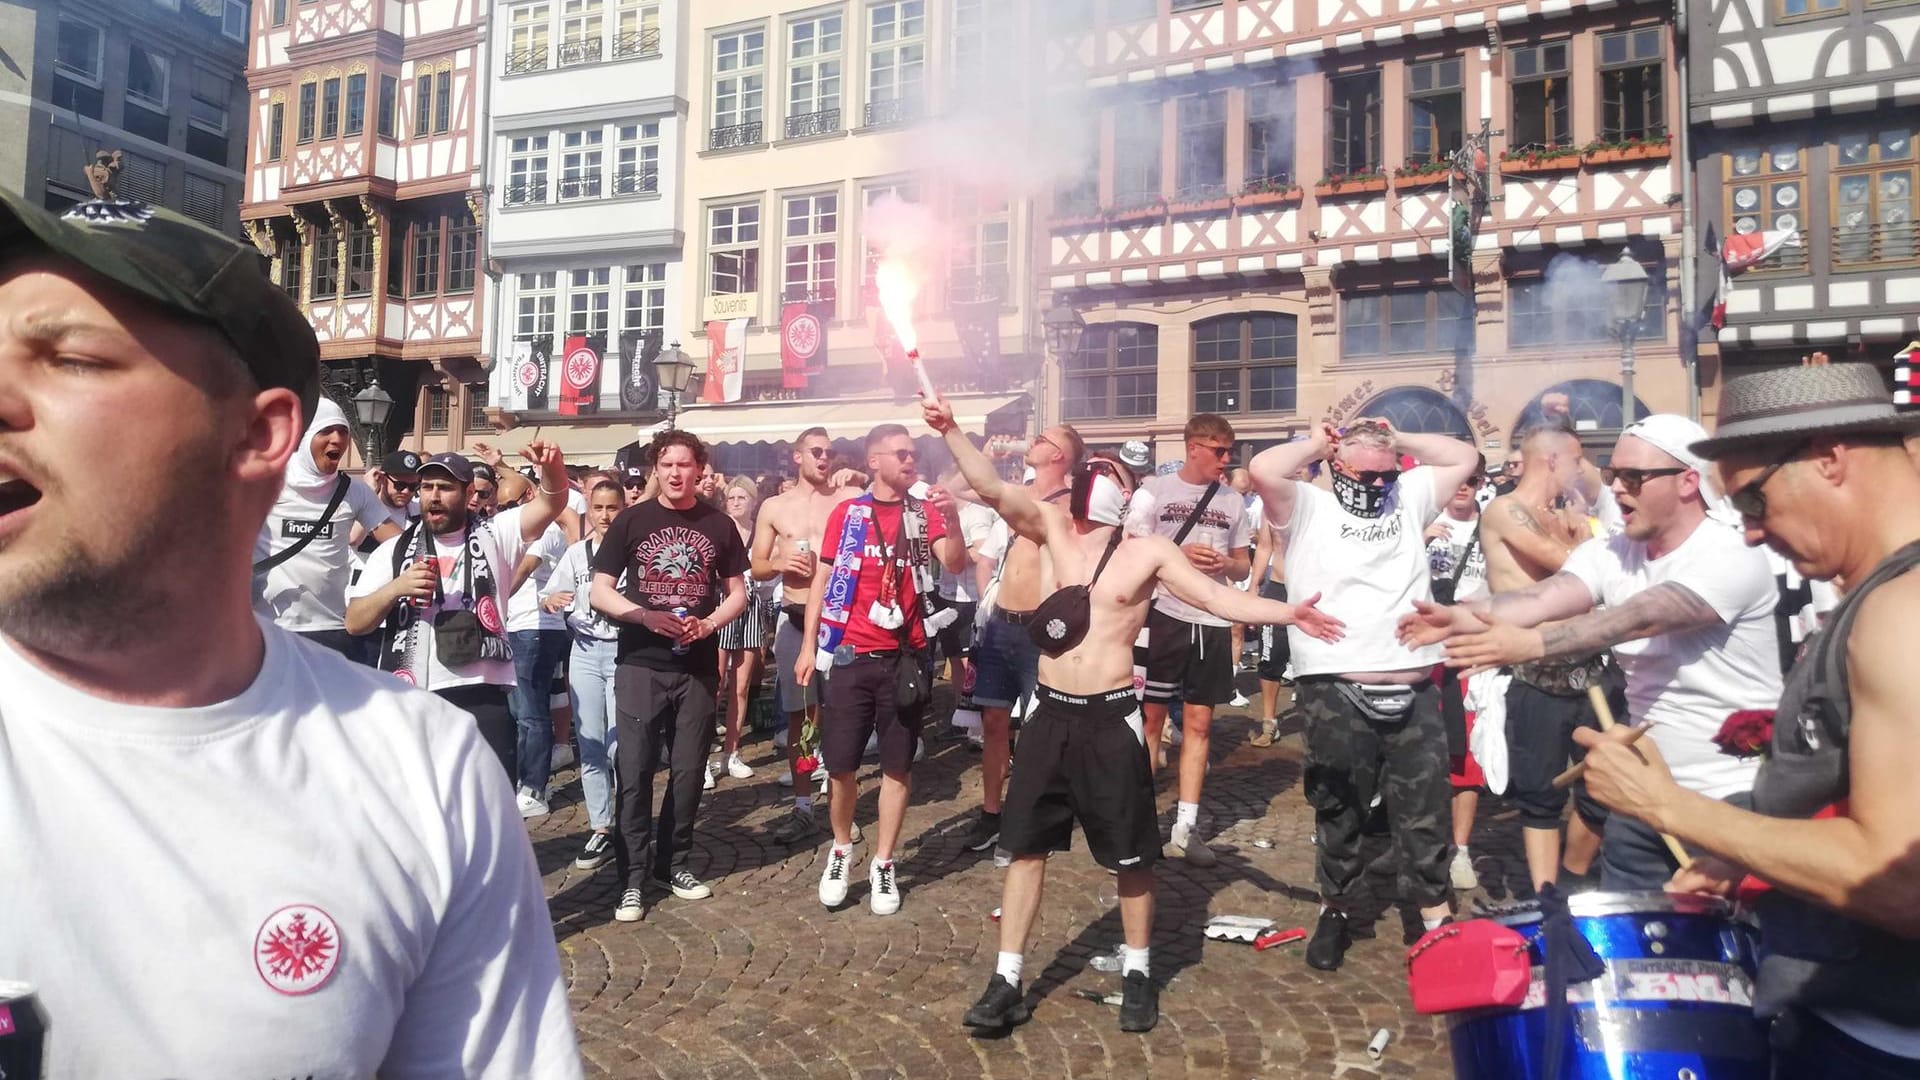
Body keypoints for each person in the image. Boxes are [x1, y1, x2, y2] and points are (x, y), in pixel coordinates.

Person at [0, 185, 579, 1074]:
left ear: (259, 433)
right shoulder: (398, 568)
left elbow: (525, 522)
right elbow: (359, 601)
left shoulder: (423, 777)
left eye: (71, 357)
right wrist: (393, 590)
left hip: (453, 686)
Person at [926, 395, 1345, 1035]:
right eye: (1096, 471)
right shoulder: (1054, 529)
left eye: (1112, 475)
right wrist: (951, 428)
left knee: (1131, 858)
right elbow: (987, 488)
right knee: (1026, 849)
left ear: (1127, 497)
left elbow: (1217, 598)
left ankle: (1139, 969)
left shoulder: (1147, 553)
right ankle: (1006, 978)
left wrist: (1290, 613)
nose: (1100, 479)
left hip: (1111, 718)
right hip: (1048, 715)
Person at [1578, 364, 1920, 1075]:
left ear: (1829, 457)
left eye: (1755, 501)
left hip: (1882, 1043)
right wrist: (1744, 855)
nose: (1754, 534)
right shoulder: (1877, 594)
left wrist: (1663, 805)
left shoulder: (1903, 611)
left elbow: (1899, 882)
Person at [1398, 414, 1783, 891]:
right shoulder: (1615, 551)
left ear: (1688, 481)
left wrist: (1534, 642)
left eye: (1634, 477)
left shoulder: (1729, 551)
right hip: (1642, 792)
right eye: (1612, 474)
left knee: (1733, 950)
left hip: (1732, 796)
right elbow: (1543, 597)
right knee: (1638, 952)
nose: (1618, 488)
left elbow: (1641, 615)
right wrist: (1461, 616)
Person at [1248, 417, 1481, 970]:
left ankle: (1433, 917)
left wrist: (1401, 442)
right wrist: (1317, 444)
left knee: (1423, 808)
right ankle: (1337, 909)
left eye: (1387, 474)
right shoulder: (1306, 505)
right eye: (1366, 475)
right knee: (1339, 806)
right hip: (1335, 681)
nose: (1379, 485)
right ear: (1338, 465)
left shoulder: (1410, 495)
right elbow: (1261, 468)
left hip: (1414, 679)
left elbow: (1463, 457)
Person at [795, 424, 968, 916]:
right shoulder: (848, 514)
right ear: (874, 461)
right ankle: (843, 848)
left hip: (906, 658)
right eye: (901, 454)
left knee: (897, 767)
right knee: (843, 767)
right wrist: (809, 646)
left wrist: (952, 522)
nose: (911, 461)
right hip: (849, 656)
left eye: (913, 453)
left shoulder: (923, 512)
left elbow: (953, 563)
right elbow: (823, 581)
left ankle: (885, 862)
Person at [591, 429, 749, 918]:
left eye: (686, 465)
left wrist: (709, 624)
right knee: (635, 771)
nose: (677, 473)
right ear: (655, 469)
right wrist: (642, 615)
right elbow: (600, 590)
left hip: (697, 666)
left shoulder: (719, 524)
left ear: (699, 469)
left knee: (687, 773)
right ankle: (632, 878)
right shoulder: (632, 520)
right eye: (668, 464)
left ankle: (673, 862)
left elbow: (739, 594)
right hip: (640, 661)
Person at [347, 444, 572, 780]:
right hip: (414, 696)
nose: (433, 496)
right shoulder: (393, 551)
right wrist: (396, 588)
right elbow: (354, 623)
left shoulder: (497, 534)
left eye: (445, 487)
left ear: (468, 493)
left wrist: (552, 468)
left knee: (487, 810)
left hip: (483, 694)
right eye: (427, 488)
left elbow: (552, 502)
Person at [1472, 423, 1617, 890]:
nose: (1582, 470)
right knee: (1541, 796)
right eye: (1577, 459)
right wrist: (1582, 537)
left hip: (1593, 669)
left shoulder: (1569, 514)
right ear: (1553, 459)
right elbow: (1576, 567)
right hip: (1536, 674)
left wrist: (1582, 528)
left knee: (1602, 790)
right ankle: (1547, 896)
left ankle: (1573, 879)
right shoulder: (1504, 510)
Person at [1128, 413, 1252, 866]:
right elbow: (1130, 548)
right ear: (1193, 446)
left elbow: (1243, 563)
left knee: (1200, 725)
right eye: (1219, 450)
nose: (1226, 460)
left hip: (1212, 619)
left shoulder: (1233, 502)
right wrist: (1176, 552)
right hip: (1162, 615)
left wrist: (1227, 567)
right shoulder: (1156, 492)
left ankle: (1186, 826)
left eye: (1229, 452)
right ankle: (1138, 823)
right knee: (1151, 721)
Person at [959, 422, 1084, 854]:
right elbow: (955, 486)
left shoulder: (1070, 505)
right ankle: (991, 813)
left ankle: (1031, 818)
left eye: (1044, 440)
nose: (1032, 441)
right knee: (993, 723)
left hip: (1038, 628)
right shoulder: (1018, 493)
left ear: (1059, 457)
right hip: (999, 624)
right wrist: (986, 457)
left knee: (1038, 730)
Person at [750, 427, 865, 843]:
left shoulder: (848, 499)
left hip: (842, 624)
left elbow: (888, 501)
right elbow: (757, 565)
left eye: (830, 452)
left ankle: (839, 807)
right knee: (800, 722)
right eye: (816, 451)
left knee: (841, 720)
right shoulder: (775, 507)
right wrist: (781, 561)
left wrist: (862, 478)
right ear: (797, 456)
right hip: (795, 620)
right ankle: (802, 805)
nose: (825, 458)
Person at [252, 396, 403, 656]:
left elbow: (397, 543)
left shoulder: (354, 491)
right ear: (304, 436)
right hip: (270, 626)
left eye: (343, 431)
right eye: (326, 431)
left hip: (332, 628)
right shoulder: (264, 484)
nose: (338, 439)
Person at [542, 478, 627, 871]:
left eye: (613, 508)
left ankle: (629, 819)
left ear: (622, 509)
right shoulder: (577, 554)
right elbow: (549, 595)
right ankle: (601, 826)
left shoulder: (634, 553)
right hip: (586, 651)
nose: (606, 515)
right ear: (588, 511)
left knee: (620, 746)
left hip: (624, 652)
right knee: (590, 742)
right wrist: (551, 600)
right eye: (599, 508)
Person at [1423, 458, 1491, 892]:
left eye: (1473, 481)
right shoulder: (1420, 521)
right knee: (1418, 752)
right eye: (1458, 480)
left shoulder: (1496, 526)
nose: (1463, 488)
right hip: (1424, 653)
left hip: (1472, 652)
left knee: (1467, 757)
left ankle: (1460, 851)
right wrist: (1415, 539)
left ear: (1481, 483)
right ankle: (1416, 843)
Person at [504, 514, 570, 817]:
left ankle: (535, 788)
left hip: (538, 627)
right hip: (516, 627)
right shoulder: (514, 532)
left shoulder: (548, 531)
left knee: (532, 711)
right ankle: (523, 780)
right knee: (519, 712)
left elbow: (526, 566)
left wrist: (495, 599)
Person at [713, 476, 772, 787]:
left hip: (750, 609)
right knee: (715, 682)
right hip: (721, 607)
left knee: (741, 685)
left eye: (741, 497)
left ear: (753, 501)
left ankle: (731, 752)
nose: (735, 502)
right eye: (731, 497)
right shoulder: (718, 528)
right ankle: (704, 751)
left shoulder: (760, 534)